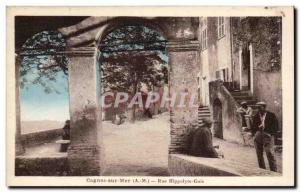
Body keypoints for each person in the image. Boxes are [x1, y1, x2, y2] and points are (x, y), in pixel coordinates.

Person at [252, 101, 278, 172]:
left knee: (269, 153)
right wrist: (256, 132)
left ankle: (273, 171)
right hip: (258, 135)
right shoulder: (256, 116)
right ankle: (262, 169)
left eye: (260, 107)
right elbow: (253, 127)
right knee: (259, 154)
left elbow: (276, 126)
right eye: (257, 108)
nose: (258, 109)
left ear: (264, 107)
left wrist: (271, 134)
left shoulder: (271, 115)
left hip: (268, 136)